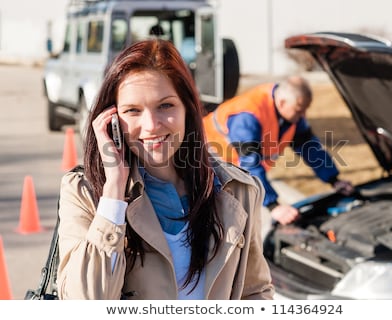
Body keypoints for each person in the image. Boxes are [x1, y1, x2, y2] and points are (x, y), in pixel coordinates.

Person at [57, 39, 274, 300]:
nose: (151, 125)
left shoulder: (238, 190)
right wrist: (114, 191)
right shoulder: (85, 193)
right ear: (112, 121)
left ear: (187, 109)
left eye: (166, 106)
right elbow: (85, 302)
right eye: (133, 110)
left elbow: (255, 291)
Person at [203, 76, 353, 225]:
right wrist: (273, 206)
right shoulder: (248, 116)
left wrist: (334, 180)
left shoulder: (291, 113)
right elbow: (249, 164)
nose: (303, 116)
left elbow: (310, 149)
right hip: (206, 169)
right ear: (282, 103)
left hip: (235, 174)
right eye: (300, 110)